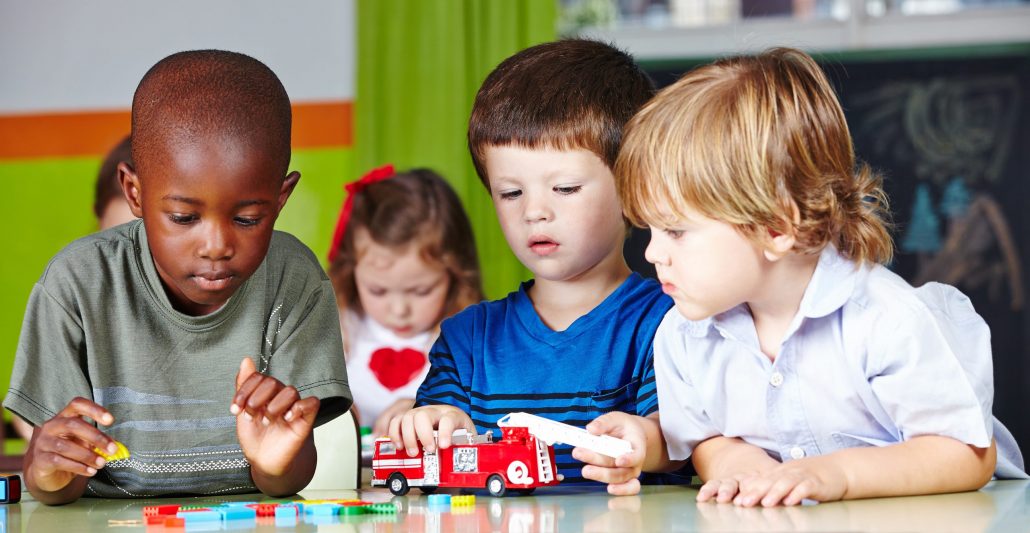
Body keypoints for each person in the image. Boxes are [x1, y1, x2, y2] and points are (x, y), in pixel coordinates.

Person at [586, 46, 1027, 504]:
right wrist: (734, 462)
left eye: (676, 230)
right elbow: (703, 438)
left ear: (776, 227)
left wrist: (836, 475)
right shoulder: (685, 334)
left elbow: (965, 454)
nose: (654, 252)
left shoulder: (886, 320)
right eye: (650, 229)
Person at [3, 50, 351, 504]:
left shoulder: (294, 279)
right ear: (134, 192)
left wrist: (275, 462)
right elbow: (59, 481)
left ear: (281, 197)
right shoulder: (77, 284)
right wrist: (44, 468)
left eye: (247, 219)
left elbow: (287, 479)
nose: (216, 245)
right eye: (184, 217)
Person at [388, 39, 682, 488]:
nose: (534, 212)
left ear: (634, 186)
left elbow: (685, 441)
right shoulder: (467, 340)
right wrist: (428, 423)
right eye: (511, 193)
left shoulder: (665, 322)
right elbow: (435, 442)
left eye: (564, 188)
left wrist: (646, 441)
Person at [326, 165, 484, 438]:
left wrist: (427, 410)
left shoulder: (469, 338)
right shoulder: (336, 328)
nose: (399, 311)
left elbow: (487, 420)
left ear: (456, 275)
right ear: (350, 271)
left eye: (421, 291)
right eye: (377, 290)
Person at [8, 134, 137, 443]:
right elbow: (29, 415)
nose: (139, 262)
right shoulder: (72, 295)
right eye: (121, 239)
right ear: (98, 217)